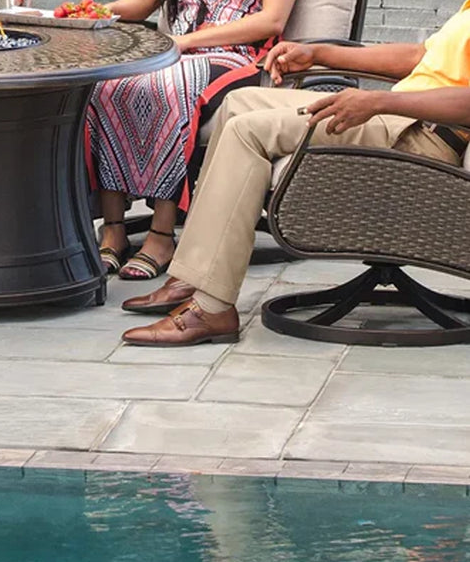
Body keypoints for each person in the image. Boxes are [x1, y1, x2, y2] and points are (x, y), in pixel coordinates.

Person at [120, 24, 470, 345]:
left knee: (248, 132)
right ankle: (197, 275)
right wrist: (320, 54)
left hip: (424, 134)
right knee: (238, 104)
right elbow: (422, 56)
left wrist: (381, 100)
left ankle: (212, 308)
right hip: (402, 115)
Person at [86, 0, 304, 278]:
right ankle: (112, 229)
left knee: (174, 82)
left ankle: (162, 235)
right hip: (173, 51)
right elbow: (144, 1)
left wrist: (186, 42)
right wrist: (92, 13)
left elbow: (272, 20)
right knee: (104, 84)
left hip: (235, 59)